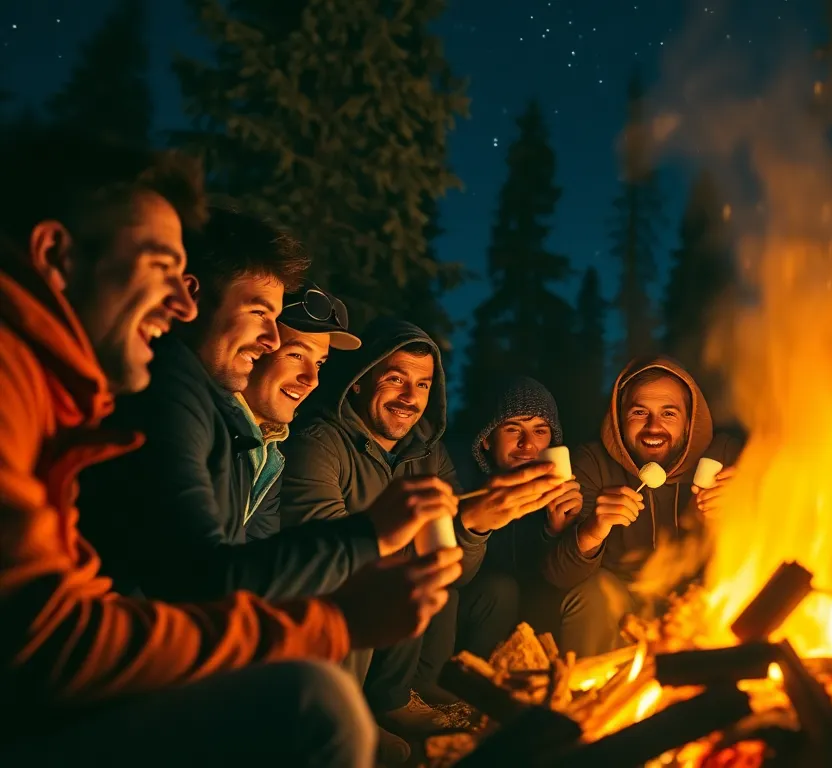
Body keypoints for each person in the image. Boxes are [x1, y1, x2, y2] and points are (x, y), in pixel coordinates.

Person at [0, 129, 458, 766]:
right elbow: (67, 633)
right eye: (164, 271)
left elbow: (94, 598)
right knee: (312, 703)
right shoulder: (131, 389)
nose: (178, 302)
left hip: (84, 683)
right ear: (57, 255)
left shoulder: (75, 399)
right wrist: (348, 590)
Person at [281, 317, 569, 739]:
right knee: (406, 567)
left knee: (453, 572)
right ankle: (361, 710)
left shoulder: (427, 455)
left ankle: (411, 692)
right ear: (359, 382)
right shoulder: (320, 443)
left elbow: (460, 572)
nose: (408, 398)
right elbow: (323, 559)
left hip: (396, 621)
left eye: (422, 385)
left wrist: (472, 527)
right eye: (395, 379)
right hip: (328, 619)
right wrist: (429, 533)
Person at [540, 356, 744, 657]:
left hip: (702, 597)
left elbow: (778, 543)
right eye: (639, 412)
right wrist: (593, 531)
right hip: (621, 598)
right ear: (619, 418)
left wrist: (745, 507)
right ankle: (587, 698)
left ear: (690, 422)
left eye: (669, 414)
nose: (653, 427)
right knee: (590, 593)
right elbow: (558, 576)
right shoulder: (593, 463)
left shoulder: (726, 455)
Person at [411, 376, 584, 700]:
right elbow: (451, 570)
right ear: (487, 439)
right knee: (499, 588)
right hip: (462, 611)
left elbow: (545, 581)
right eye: (513, 429)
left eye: (540, 431)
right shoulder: (459, 479)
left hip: (520, 625)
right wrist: (478, 520)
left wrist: (556, 533)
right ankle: (461, 688)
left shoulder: (562, 492)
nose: (528, 444)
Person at [239, 279, 363, 541]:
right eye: (296, 355)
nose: (312, 378)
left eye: (319, 363)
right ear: (258, 346)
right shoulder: (208, 424)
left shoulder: (270, 449)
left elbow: (260, 558)